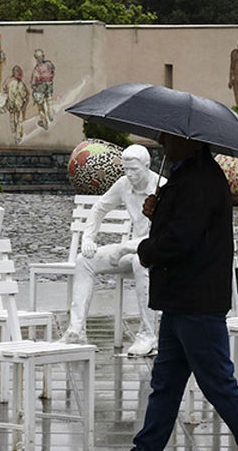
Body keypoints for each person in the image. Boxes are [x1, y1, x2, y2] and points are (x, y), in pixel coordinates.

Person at [96, 133, 238, 451]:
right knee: (166, 383)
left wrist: (146, 250)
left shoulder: (199, 180)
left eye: (168, 138)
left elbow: (181, 240)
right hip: (182, 299)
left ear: (191, 142)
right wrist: (158, 208)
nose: (162, 142)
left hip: (196, 301)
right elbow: (181, 225)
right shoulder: (188, 177)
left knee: (219, 384)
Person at [61, 144, 162, 356]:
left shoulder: (163, 188)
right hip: (134, 250)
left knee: (139, 261)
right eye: (126, 169)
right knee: (84, 260)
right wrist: (88, 238)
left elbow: (162, 238)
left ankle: (147, 335)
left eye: (134, 170)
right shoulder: (124, 184)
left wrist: (125, 247)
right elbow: (99, 208)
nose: (130, 175)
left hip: (158, 256)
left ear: (147, 165)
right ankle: (76, 331)